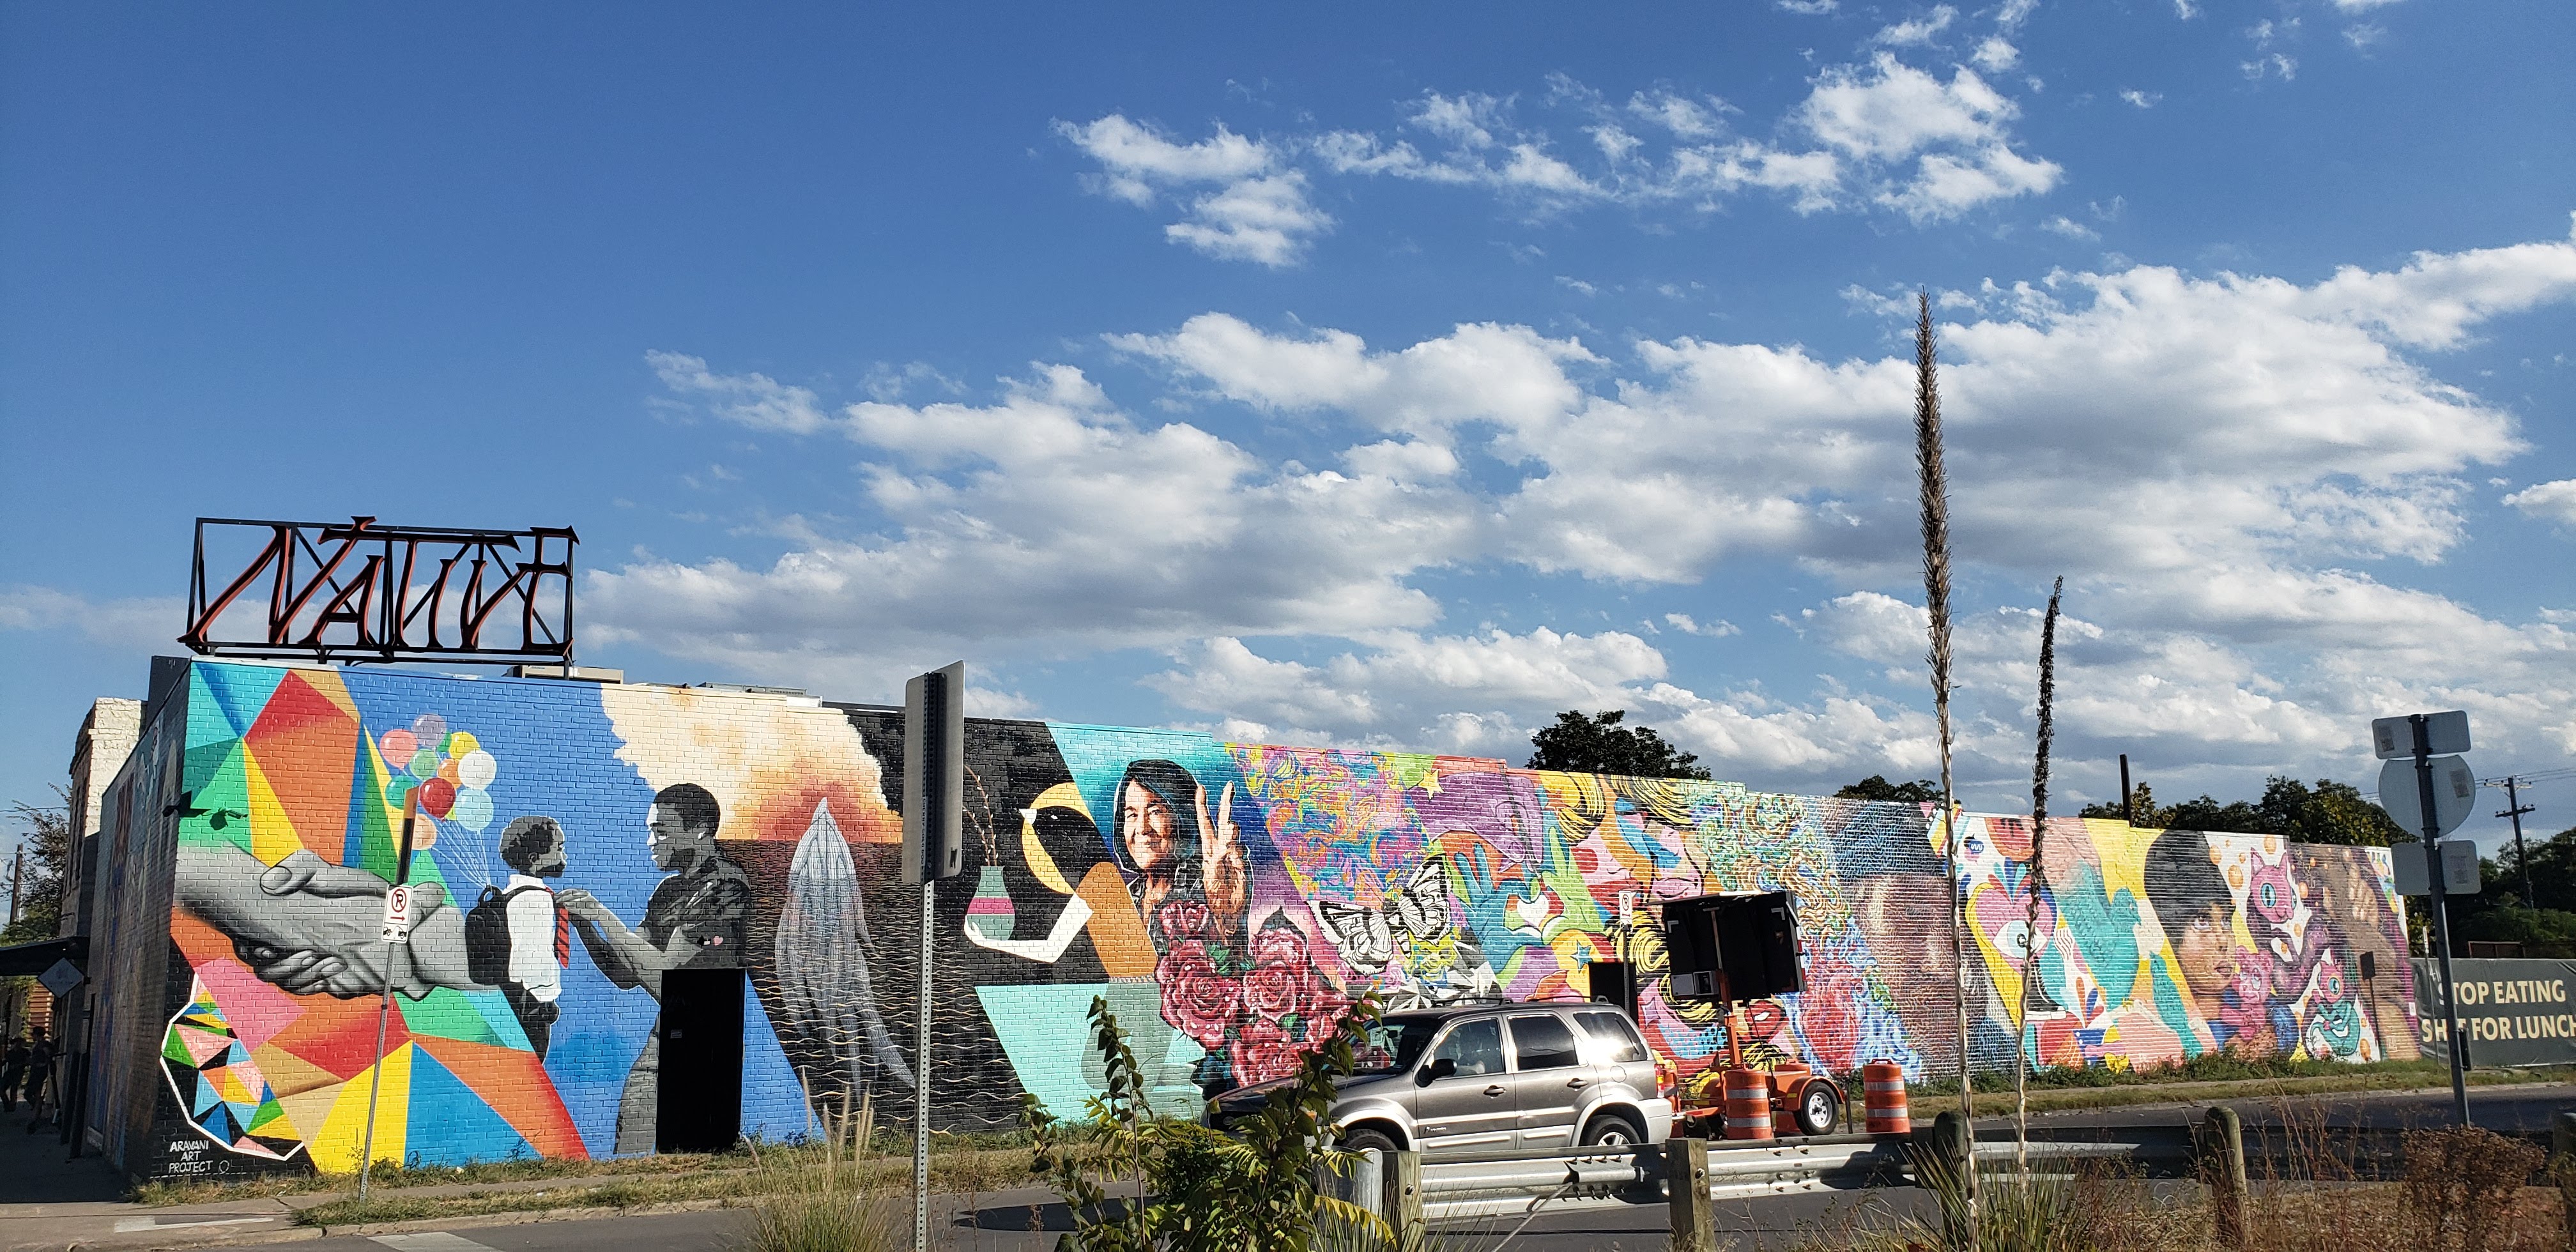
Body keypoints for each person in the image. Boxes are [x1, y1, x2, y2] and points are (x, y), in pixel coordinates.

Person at [558, 783, 750, 1156]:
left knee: (696, 1156)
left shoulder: (726, 888)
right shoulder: (667, 892)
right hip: (667, 1034)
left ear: (700, 831)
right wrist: (585, 925)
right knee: (635, 1129)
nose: (650, 841)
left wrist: (604, 917)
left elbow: (672, 982)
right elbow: (624, 973)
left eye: (661, 831)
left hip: (709, 1040)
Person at [2145, 828, 2269, 1053]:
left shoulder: (2246, 998)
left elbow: (2282, 1016)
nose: (2223, 941)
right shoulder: (2164, 1014)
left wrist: (2272, 1035)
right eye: (2202, 922)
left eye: (2226, 922)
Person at [482, 816, 571, 1058]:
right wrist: (546, 1001)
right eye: (559, 849)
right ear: (534, 859)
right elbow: (534, 958)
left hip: (512, 999)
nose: (564, 857)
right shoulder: (536, 899)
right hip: (530, 1004)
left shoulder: (511, 894)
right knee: (530, 1068)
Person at [0, 1035, 24, 1113]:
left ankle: (12, 1105)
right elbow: (4, 1061)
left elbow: (28, 1061)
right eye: (16, 1042)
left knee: (14, 1089)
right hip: (9, 1073)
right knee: (1, 1089)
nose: (17, 1044)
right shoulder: (10, 1053)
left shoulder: (24, 1052)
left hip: (18, 1073)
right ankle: (7, 1105)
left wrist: (19, 1065)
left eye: (19, 1043)